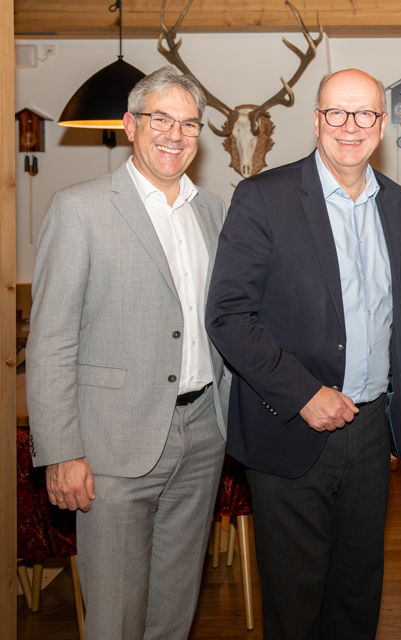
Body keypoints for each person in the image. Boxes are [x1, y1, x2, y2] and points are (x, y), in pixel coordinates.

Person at [205, 68, 401, 639]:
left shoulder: (395, 202)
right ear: (317, 120)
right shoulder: (263, 197)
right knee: (296, 608)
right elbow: (227, 316)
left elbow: (391, 321)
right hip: (292, 429)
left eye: (365, 114)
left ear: (381, 123)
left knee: (357, 594)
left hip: (370, 433)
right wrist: (304, 395)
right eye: (337, 113)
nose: (351, 126)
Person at [26, 66, 229, 639]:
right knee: (114, 617)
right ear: (130, 124)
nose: (175, 133)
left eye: (189, 123)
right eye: (160, 118)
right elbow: (52, 341)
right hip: (112, 445)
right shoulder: (80, 209)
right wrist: (61, 450)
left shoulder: (212, 213)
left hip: (203, 435)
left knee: (174, 608)